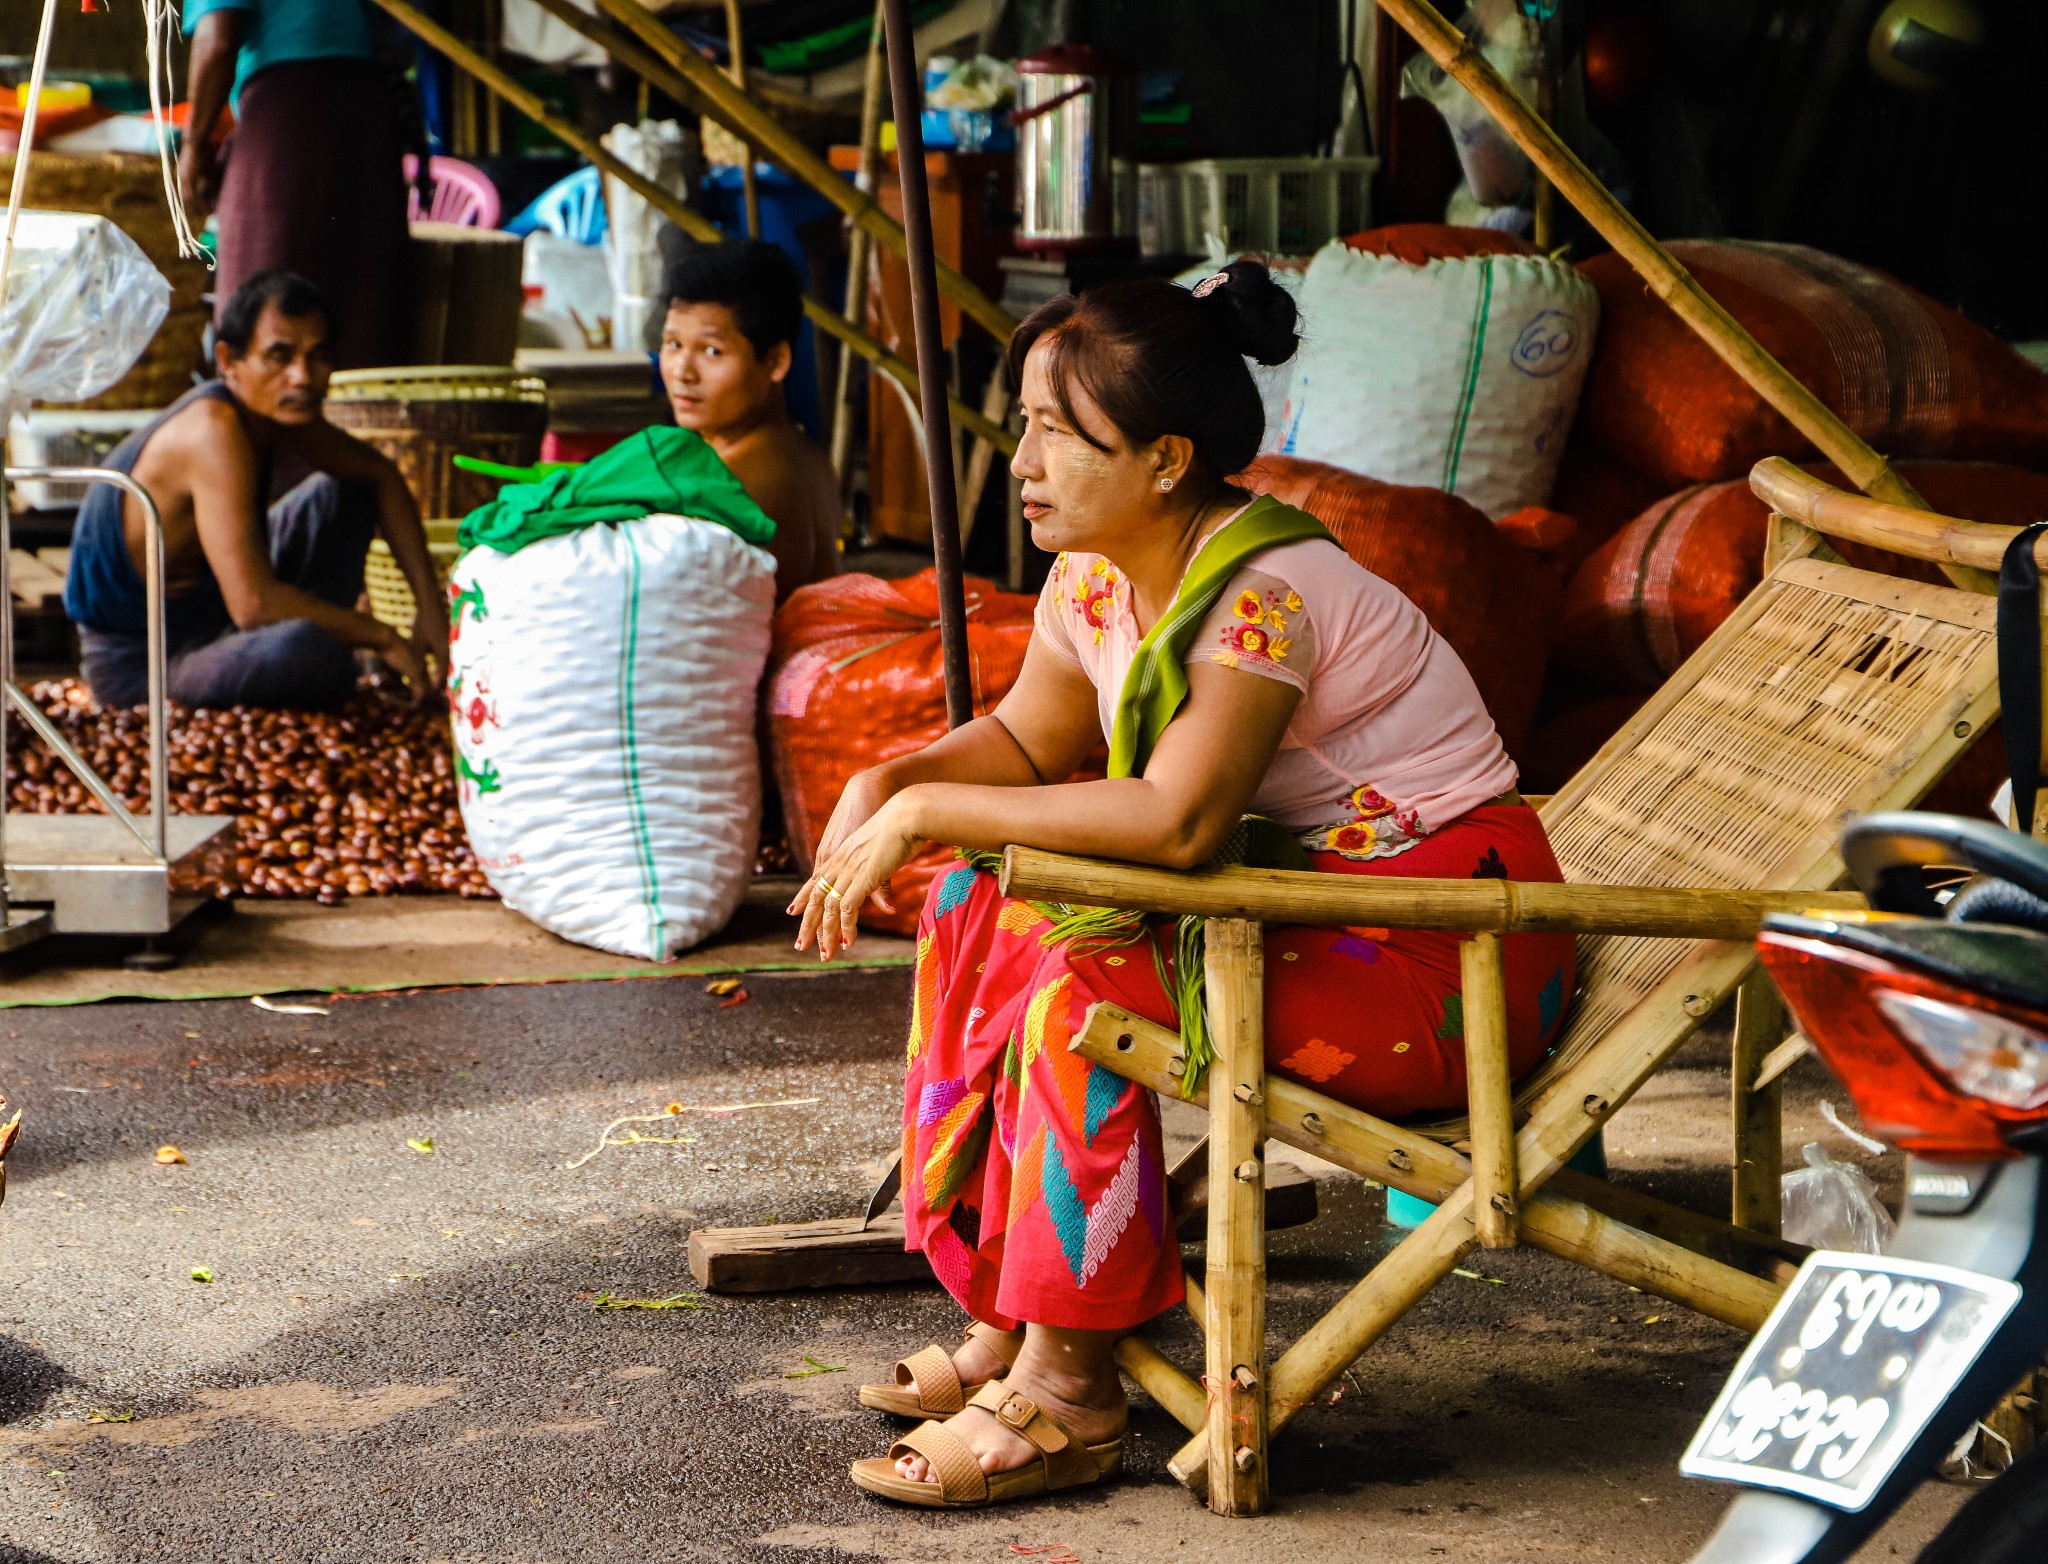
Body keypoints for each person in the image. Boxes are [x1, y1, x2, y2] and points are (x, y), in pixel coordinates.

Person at [788, 263, 1578, 1509]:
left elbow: (1179, 816)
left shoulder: (1261, 595)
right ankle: (1011, 1302)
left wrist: (932, 809)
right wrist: (893, 778)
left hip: (1447, 958)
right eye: (1027, 424)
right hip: (1308, 914)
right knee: (970, 907)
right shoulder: (1096, 568)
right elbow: (1022, 743)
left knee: (1077, 991)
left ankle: (1069, 1386)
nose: (1023, 460)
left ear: (1164, 458)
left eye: (1060, 433)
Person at [64, 271, 449, 710]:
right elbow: (254, 608)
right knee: (307, 649)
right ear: (228, 362)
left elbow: (382, 476)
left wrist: (431, 611)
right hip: (147, 667)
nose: (302, 377)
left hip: (222, 623)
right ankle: (332, 657)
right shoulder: (214, 430)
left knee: (350, 488)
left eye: (317, 356)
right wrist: (380, 635)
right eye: (279, 356)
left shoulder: (277, 408)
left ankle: (327, 654)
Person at [178, 0, 410, 369]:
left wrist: (194, 145)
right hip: (367, 114)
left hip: (292, 113)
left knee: (259, 297)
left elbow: (218, 41)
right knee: (362, 308)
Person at [659, 242, 840, 602]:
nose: (682, 372)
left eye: (712, 351)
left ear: (775, 362)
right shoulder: (809, 456)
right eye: (674, 344)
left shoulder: (729, 487)